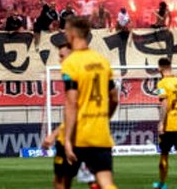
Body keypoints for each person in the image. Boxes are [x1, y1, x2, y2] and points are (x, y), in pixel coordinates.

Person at [62, 16, 119, 189]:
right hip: (101, 133)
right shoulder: (102, 61)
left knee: (62, 182)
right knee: (105, 182)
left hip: (80, 134)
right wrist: (104, 118)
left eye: (65, 31)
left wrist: (67, 139)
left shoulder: (71, 63)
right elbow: (114, 98)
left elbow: (72, 103)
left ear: (72, 34)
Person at [42, 42, 98, 189]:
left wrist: (55, 135)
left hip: (73, 137)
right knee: (88, 178)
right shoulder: (89, 74)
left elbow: (73, 109)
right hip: (89, 134)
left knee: (60, 180)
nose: (60, 60)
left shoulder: (73, 77)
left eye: (62, 56)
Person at [153, 58, 177, 189]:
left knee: (164, 153)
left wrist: (161, 123)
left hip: (169, 125)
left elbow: (164, 103)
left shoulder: (161, 84)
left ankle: (162, 184)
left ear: (160, 68)